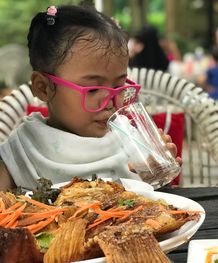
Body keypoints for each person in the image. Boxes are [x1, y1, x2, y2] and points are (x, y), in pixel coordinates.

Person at [0, 5, 181, 191]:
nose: (111, 103)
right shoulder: (24, 147)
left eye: (119, 87)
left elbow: (159, 203)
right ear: (43, 88)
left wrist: (158, 173)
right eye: (93, 89)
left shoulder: (128, 136)